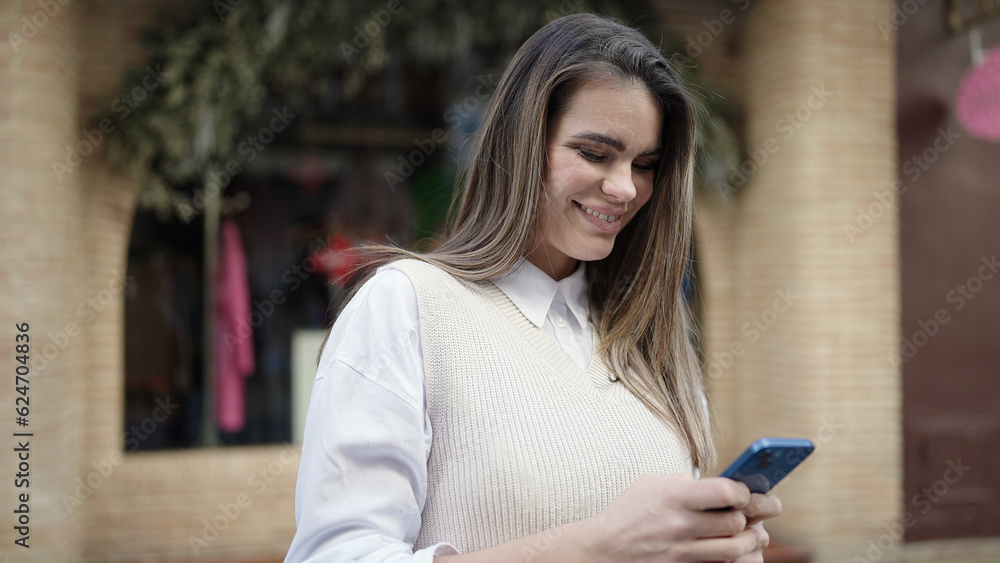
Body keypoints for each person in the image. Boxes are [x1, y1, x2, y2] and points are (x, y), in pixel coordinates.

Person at [285, 13, 781, 563]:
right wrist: (598, 544)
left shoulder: (654, 338)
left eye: (646, 164)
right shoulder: (408, 306)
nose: (624, 188)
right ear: (520, 143)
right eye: (595, 153)